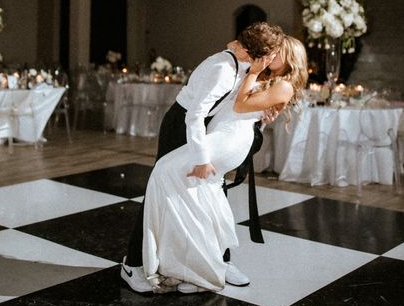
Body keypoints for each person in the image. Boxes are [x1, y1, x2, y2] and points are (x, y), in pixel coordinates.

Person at [121, 21, 285, 292]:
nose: (273, 59)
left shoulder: (246, 65)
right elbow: (194, 115)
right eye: (270, 54)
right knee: (162, 190)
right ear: (253, 54)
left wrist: (261, 114)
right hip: (181, 127)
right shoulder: (222, 69)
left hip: (207, 128)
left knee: (215, 193)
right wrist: (201, 158)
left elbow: (235, 102)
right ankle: (133, 263)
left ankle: (217, 260)